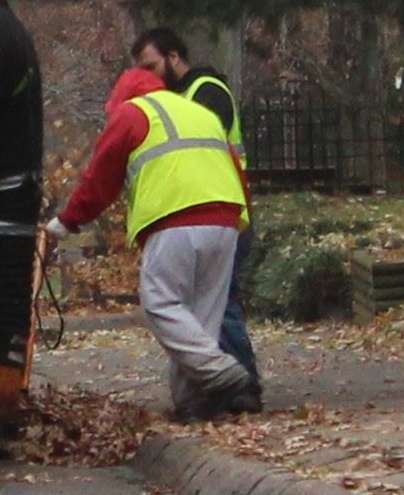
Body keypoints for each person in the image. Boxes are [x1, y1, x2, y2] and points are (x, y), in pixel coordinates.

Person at [43, 66, 260, 421]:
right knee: (202, 316)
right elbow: (234, 167)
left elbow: (101, 177)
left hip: (174, 216)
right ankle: (194, 402)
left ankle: (220, 369)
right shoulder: (199, 113)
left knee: (160, 303)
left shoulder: (133, 113)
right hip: (226, 218)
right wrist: (241, 222)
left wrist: (66, 221)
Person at [132, 28, 260, 388]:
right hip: (217, 210)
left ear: (174, 57)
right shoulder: (182, 98)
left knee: (220, 304)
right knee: (207, 306)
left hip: (225, 210)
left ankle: (242, 383)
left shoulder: (206, 92)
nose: (147, 76)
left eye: (151, 66)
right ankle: (219, 384)